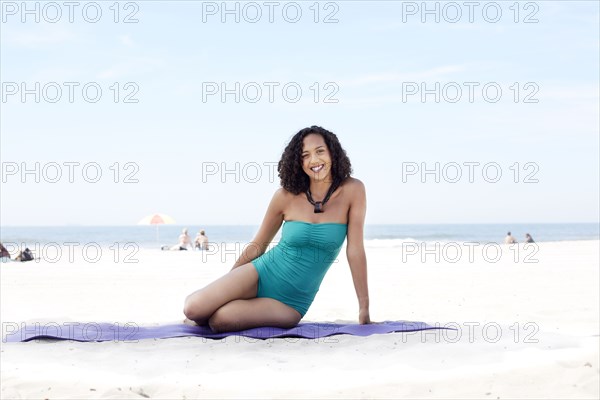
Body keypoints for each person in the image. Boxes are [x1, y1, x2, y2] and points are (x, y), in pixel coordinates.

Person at [183, 126, 370, 333]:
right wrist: (229, 283)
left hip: (290, 303)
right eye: (305, 156)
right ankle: (205, 307)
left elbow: (355, 251)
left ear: (332, 153)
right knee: (193, 309)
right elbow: (258, 244)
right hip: (262, 272)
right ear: (298, 163)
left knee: (220, 320)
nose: (314, 160)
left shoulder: (353, 190)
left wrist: (364, 307)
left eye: (320, 151)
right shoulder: (284, 196)